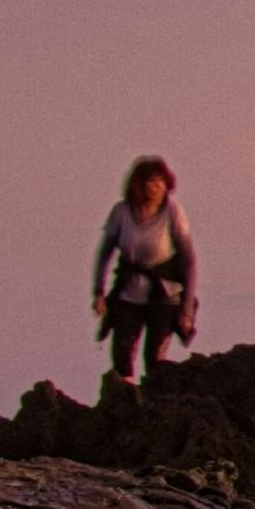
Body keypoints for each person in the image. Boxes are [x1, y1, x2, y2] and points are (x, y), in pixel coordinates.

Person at [91, 157, 200, 394]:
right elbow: (104, 254)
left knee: (155, 358)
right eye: (150, 182)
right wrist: (98, 292)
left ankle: (154, 404)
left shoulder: (172, 211)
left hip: (165, 296)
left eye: (160, 182)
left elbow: (189, 260)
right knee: (121, 352)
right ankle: (127, 401)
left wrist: (187, 309)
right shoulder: (121, 212)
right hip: (129, 294)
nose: (155, 188)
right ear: (136, 184)